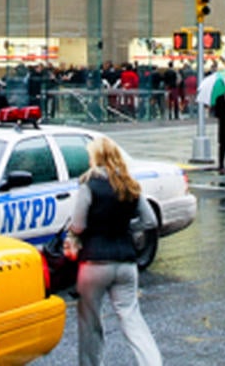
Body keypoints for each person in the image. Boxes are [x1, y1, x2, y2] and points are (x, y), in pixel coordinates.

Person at [68, 136, 162, 366]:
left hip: (94, 264)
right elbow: (149, 221)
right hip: (126, 263)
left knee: (90, 322)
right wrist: (128, 229)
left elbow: (78, 225)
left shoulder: (89, 185)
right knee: (132, 319)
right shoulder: (129, 184)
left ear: (95, 157)